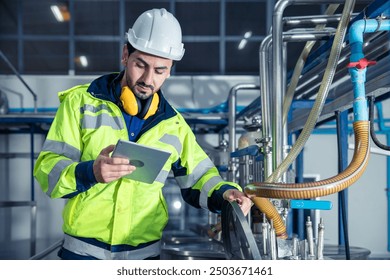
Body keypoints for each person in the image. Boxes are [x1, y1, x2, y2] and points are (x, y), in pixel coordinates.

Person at [33, 8, 252, 260]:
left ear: (169, 71)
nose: (148, 79)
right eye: (141, 64)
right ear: (126, 55)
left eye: (160, 70)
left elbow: (201, 178)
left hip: (144, 258)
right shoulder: (80, 104)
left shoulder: (174, 125)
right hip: (84, 255)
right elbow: (47, 171)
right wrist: (89, 172)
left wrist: (227, 193)